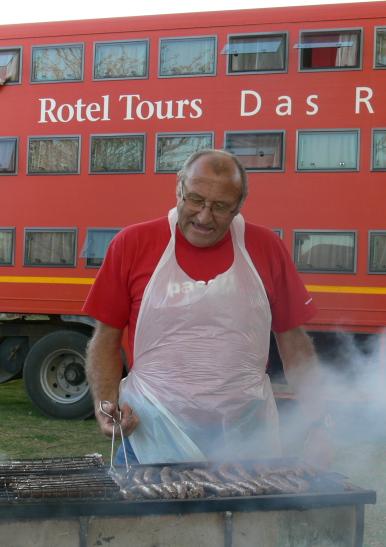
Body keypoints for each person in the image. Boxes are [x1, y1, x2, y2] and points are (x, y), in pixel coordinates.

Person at [83, 149, 332, 468]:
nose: (203, 217)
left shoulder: (267, 247)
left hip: (246, 440)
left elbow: (295, 345)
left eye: (220, 207)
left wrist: (319, 425)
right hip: (151, 433)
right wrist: (106, 406)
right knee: (148, 520)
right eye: (195, 200)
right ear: (179, 189)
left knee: (249, 519)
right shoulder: (133, 243)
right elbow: (106, 339)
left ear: (239, 206)